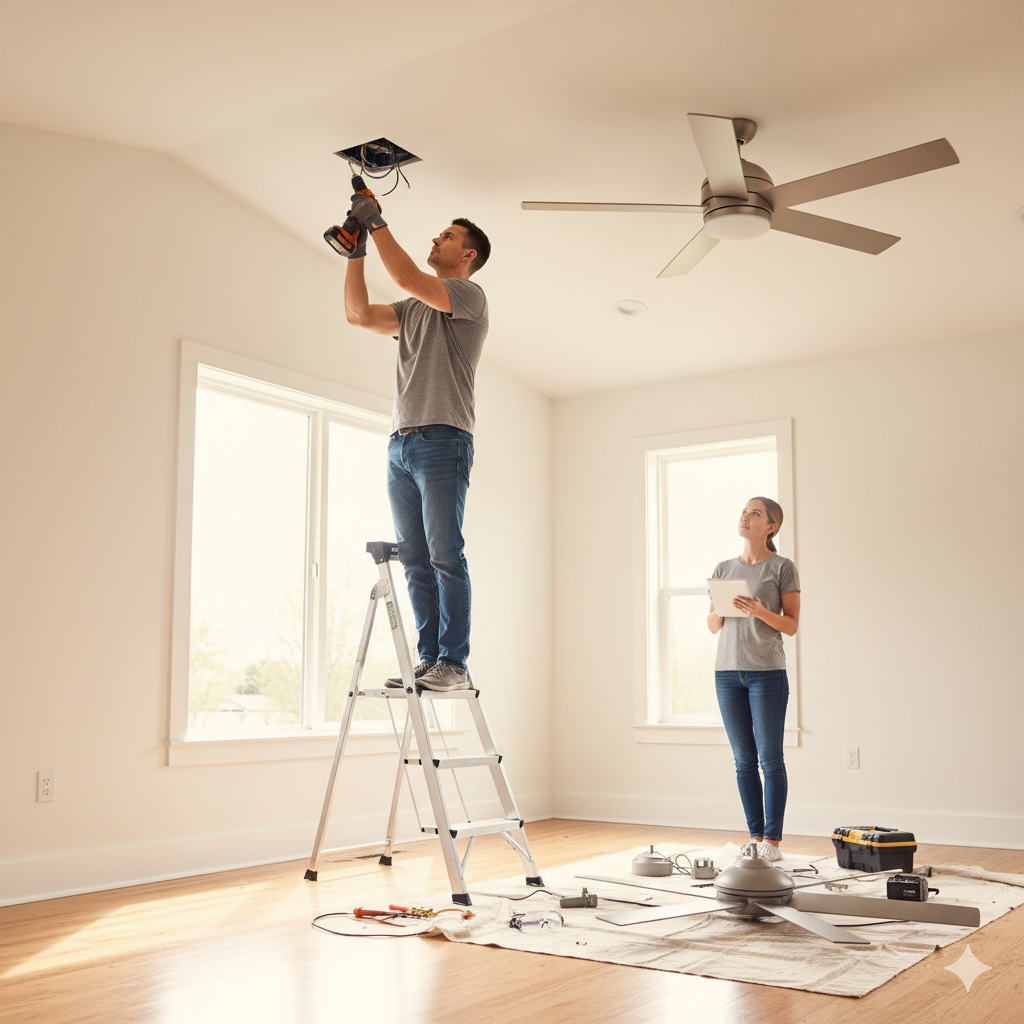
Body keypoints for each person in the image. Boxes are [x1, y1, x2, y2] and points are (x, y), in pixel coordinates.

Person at [342, 190, 490, 692]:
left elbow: (407, 277)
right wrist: (356, 250)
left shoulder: (469, 298)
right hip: (400, 446)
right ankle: (430, 660)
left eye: (447, 236)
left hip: (444, 437)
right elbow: (359, 315)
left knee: (446, 553)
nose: (436, 238)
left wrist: (375, 220)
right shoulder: (411, 310)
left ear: (467, 255)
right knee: (416, 558)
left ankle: (455, 660)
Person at [707, 497, 800, 861]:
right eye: (744, 512)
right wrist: (718, 607)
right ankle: (755, 837)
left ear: (771, 527)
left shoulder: (782, 567)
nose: (745, 517)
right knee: (743, 760)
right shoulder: (723, 568)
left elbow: (791, 626)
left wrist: (760, 610)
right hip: (727, 672)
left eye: (755, 513)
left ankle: (772, 843)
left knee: (770, 759)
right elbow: (714, 625)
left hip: (767, 674)